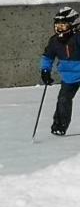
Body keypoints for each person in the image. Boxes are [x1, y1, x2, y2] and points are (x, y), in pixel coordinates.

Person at [40, 7, 80, 136]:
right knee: (63, 99)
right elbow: (48, 57)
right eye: (57, 27)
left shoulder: (78, 38)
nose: (59, 30)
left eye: (63, 26)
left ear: (74, 26)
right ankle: (59, 125)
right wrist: (45, 71)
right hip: (69, 77)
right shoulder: (55, 41)